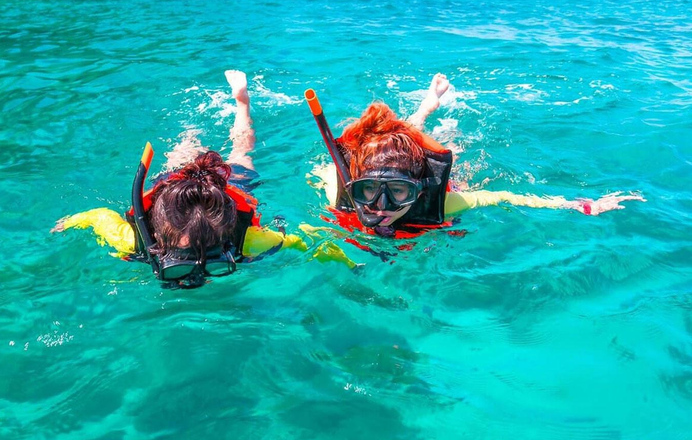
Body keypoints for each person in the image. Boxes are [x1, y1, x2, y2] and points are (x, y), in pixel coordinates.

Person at [54, 70, 354, 287]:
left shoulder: (247, 240)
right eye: (183, 264)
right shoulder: (136, 240)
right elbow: (97, 216)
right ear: (159, 244)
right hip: (177, 188)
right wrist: (70, 221)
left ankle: (243, 103)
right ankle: (190, 135)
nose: (197, 277)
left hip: (228, 188)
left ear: (228, 242)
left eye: (214, 262)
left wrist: (347, 260)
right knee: (184, 158)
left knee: (241, 149)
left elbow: (305, 242)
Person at [309, 73, 645, 239]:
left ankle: (426, 108)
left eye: (399, 193)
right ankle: (425, 107)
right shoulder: (342, 194)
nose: (380, 207)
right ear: (354, 185)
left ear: (420, 191)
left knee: (429, 147)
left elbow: (502, 195)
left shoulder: (444, 204)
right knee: (395, 144)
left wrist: (580, 205)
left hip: (425, 173)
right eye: (368, 191)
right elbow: (319, 171)